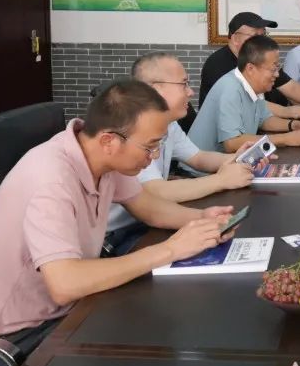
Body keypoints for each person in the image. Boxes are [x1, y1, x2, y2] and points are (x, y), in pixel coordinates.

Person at [0, 80, 235, 366]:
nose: (154, 156)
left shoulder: (102, 158)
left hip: (68, 313)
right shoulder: (51, 180)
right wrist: (170, 249)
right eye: (149, 147)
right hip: (11, 345)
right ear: (108, 141)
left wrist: (202, 220)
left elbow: (149, 208)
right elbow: (65, 284)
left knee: (166, 331)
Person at [103, 52, 256, 255]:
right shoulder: (128, 129)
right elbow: (156, 192)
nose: (190, 92)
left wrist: (238, 159)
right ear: (154, 90)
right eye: (183, 84)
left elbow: (197, 157)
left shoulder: (169, 123)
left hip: (148, 221)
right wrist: (221, 180)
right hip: (117, 237)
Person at [189, 34, 300, 153]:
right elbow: (232, 142)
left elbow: (264, 120)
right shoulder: (230, 89)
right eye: (273, 69)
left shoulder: (253, 85)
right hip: (203, 168)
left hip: (232, 160)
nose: (277, 74)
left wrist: (294, 125)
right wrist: (286, 139)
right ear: (250, 68)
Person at [199, 11, 300, 115]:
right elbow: (249, 104)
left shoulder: (259, 58)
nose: (262, 42)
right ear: (235, 38)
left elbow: (289, 86)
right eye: (255, 36)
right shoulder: (217, 65)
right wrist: (286, 112)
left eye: (263, 35)